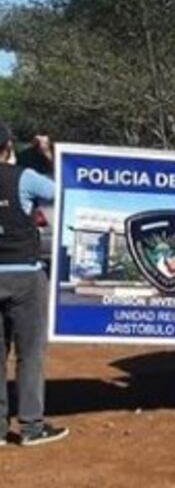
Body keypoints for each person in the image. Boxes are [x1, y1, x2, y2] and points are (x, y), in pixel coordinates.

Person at [0, 127, 69, 446]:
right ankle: (31, 427)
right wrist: (49, 156)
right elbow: (62, 189)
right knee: (30, 354)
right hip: (25, 276)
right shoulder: (24, 178)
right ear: (7, 147)